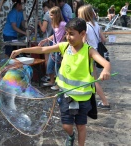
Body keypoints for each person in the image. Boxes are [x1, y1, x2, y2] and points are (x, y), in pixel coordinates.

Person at [10, 18, 111, 146]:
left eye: (72, 34)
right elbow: (42, 50)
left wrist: (105, 71)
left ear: (82, 34)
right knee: (66, 126)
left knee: (81, 126)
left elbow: (106, 63)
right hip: (66, 95)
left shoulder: (89, 51)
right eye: (67, 33)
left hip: (83, 97)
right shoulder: (64, 46)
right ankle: (70, 136)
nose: (68, 37)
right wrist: (22, 50)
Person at [78, 4, 111, 109]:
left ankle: (105, 102)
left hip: (89, 55)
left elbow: (82, 43)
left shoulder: (85, 27)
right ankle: (89, 100)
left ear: (82, 14)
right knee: (92, 78)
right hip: (96, 53)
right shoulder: (96, 24)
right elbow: (103, 39)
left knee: (92, 80)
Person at [39, 6, 66, 91]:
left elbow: (68, 32)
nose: (50, 17)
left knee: (57, 67)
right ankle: (51, 81)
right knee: (50, 66)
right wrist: (46, 40)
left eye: (51, 15)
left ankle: (59, 85)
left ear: (56, 15)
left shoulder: (63, 24)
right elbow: (55, 35)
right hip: (53, 47)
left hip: (58, 48)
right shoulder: (54, 24)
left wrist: (64, 39)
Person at [38, 1, 53, 82]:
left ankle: (48, 76)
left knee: (47, 59)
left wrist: (39, 24)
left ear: (45, 7)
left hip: (47, 39)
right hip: (53, 39)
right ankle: (52, 76)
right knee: (53, 59)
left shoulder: (46, 15)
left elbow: (43, 29)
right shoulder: (54, 13)